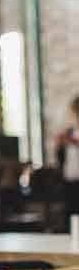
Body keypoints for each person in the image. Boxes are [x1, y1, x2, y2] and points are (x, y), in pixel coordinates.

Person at [56, 96, 79, 227]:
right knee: (71, 213)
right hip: (70, 178)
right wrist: (59, 146)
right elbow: (61, 157)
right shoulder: (69, 133)